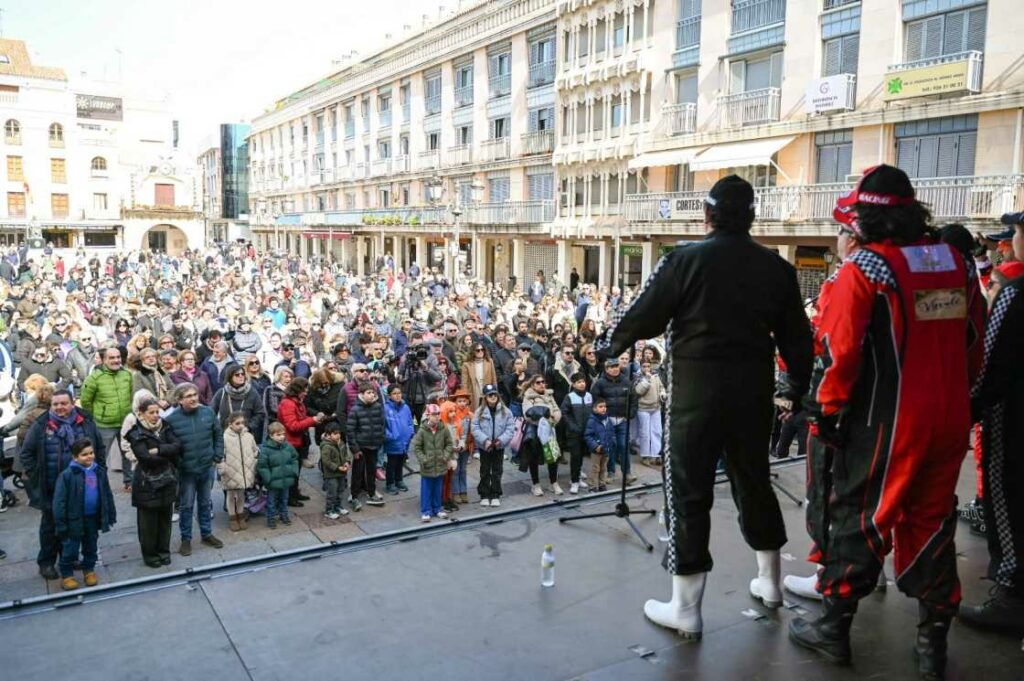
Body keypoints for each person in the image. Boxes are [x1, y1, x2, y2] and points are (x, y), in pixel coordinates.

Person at [592, 175, 814, 640]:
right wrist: (793, 385)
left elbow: (641, 315)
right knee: (754, 482)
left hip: (695, 394)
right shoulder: (777, 269)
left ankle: (686, 609)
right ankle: (771, 585)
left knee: (689, 492)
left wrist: (611, 345)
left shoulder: (684, 259)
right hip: (752, 394)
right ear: (752, 217)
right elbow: (799, 341)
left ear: (707, 216)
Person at [789, 166, 984, 678]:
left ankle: (833, 631)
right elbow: (973, 339)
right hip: (950, 418)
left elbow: (838, 352)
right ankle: (931, 645)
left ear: (868, 215)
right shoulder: (958, 262)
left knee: (861, 516)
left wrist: (828, 412)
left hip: (888, 420)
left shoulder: (867, 269)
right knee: (933, 521)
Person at [959, 211, 1024, 632]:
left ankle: (1011, 593)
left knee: (1006, 500)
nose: (1011, 241)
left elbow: (990, 361)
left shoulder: (1016, 294)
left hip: (1012, 419)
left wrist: (969, 409)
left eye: (1016, 232)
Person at [21, 389, 107, 580]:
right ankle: (47, 563)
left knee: (75, 523)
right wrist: (38, 476)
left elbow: (99, 447)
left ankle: (68, 557)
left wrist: (100, 470)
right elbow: (26, 453)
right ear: (51, 405)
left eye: (64, 403)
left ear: (72, 403)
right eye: (56, 404)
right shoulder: (41, 425)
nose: (60, 407)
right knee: (51, 525)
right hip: (52, 486)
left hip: (84, 485)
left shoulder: (85, 422)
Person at [164, 382, 225, 557]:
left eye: (195, 395)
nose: (193, 398)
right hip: (186, 470)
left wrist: (217, 455)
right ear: (179, 400)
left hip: (206, 466)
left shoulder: (207, 412)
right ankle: (186, 539)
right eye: (188, 396)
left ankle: (206, 534)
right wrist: (179, 463)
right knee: (186, 506)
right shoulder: (171, 419)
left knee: (205, 503)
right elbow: (169, 446)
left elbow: (218, 434)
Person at [52, 438, 116, 591]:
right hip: (73, 519)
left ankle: (89, 570)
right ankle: (67, 574)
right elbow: (59, 502)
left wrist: (110, 514)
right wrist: (61, 523)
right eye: (84, 455)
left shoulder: (98, 471)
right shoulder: (67, 475)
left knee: (91, 546)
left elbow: (107, 494)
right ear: (75, 457)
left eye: (91, 453)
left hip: (92, 518)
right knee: (70, 549)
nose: (89, 457)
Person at [125, 398, 181, 567]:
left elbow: (178, 446)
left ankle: (164, 551)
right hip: (147, 483)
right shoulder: (136, 433)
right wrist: (168, 453)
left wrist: (159, 450)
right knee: (148, 524)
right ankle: (150, 555)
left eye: (157, 412)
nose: (156, 416)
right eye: (151, 412)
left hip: (167, 480)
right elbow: (145, 458)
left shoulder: (165, 426)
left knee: (165, 520)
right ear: (141, 414)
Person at [276, 376, 321, 506]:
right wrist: (312, 420)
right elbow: (293, 425)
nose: (306, 392)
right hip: (291, 442)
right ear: (297, 390)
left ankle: (295, 493)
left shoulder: (297, 402)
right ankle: (290, 497)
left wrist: (313, 420)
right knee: (291, 471)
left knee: (296, 470)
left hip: (298, 441)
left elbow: (301, 419)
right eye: (304, 389)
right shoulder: (288, 404)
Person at [471, 384, 516, 507]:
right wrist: (485, 440)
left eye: (495, 394)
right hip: (485, 447)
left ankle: (495, 493)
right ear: (485, 397)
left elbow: (510, 428)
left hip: (498, 446)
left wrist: (500, 440)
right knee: (485, 470)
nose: (493, 397)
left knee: (497, 470)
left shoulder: (506, 411)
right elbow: (475, 428)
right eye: (490, 395)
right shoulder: (479, 412)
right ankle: (484, 494)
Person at [411, 403, 455, 522]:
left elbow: (449, 444)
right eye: (434, 414)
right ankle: (426, 510)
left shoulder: (443, 428)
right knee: (426, 489)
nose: (436, 417)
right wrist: (423, 459)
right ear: (428, 415)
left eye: (438, 414)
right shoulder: (422, 431)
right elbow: (417, 447)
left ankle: (438, 508)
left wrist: (445, 456)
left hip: (440, 464)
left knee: (438, 488)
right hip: (427, 465)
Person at [218, 412, 259, 532]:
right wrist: (222, 468)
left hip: (245, 470)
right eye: (237, 423)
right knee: (231, 495)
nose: (241, 426)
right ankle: (232, 517)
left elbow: (255, 450)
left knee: (241, 494)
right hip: (230, 470)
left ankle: (240, 515)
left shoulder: (248, 436)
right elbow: (220, 455)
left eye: (242, 423)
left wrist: (254, 462)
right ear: (230, 424)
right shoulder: (225, 438)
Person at [347, 381, 386, 508]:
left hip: (374, 444)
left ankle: (371, 493)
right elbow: (350, 431)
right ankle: (354, 496)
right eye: (368, 393)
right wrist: (355, 449)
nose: (371, 395)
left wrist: (380, 439)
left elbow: (381, 424)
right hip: (361, 447)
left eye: (373, 393)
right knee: (357, 473)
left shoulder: (378, 406)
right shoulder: (355, 409)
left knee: (371, 471)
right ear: (361, 394)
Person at [258, 422, 299, 528]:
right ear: (271, 435)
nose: (282, 437)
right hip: (273, 482)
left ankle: (284, 515)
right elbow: (263, 466)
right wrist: (268, 478)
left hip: (286, 479)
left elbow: (295, 458)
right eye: (278, 435)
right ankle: (271, 518)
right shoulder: (266, 450)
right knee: (271, 501)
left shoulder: (288, 446)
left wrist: (294, 471)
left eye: (283, 434)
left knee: (284, 499)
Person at [211, 363, 267, 439]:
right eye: (237, 375)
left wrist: (249, 427)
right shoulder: (222, 393)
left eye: (242, 374)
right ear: (230, 377)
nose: (241, 376)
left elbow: (260, 413)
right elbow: (211, 413)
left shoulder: (252, 392)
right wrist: (218, 430)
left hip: (246, 435)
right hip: (226, 435)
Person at [559, 372, 592, 494]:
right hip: (574, 433)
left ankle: (578, 477)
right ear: (573, 384)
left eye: (583, 381)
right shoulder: (570, 397)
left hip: (586, 432)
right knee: (575, 456)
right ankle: (574, 482)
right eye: (579, 382)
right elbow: (564, 413)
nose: (582, 384)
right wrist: (573, 427)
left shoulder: (589, 395)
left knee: (581, 455)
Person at [382, 384, 414, 495]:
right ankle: (390, 483)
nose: (397, 395)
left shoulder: (406, 407)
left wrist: (410, 432)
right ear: (389, 395)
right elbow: (383, 426)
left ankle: (399, 480)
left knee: (401, 461)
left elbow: (410, 421)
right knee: (392, 463)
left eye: (399, 393)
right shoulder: (386, 408)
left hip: (404, 441)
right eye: (394, 394)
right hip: (393, 441)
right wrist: (390, 436)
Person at [634, 359, 666, 467]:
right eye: (644, 366)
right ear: (641, 367)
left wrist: (662, 393)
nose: (647, 368)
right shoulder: (638, 377)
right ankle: (645, 455)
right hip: (643, 408)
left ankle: (657, 455)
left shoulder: (656, 376)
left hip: (656, 407)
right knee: (645, 433)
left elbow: (661, 387)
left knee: (657, 432)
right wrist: (646, 380)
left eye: (648, 366)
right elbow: (639, 391)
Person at [320, 422, 350, 519]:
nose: (338, 436)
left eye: (339, 433)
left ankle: (338, 506)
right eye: (335, 434)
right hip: (331, 474)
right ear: (328, 435)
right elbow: (326, 461)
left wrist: (347, 462)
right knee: (332, 492)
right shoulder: (326, 446)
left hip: (341, 473)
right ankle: (329, 510)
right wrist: (337, 467)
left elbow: (345, 454)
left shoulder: (341, 443)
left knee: (340, 490)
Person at [584, 398, 614, 492]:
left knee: (604, 467)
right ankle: (592, 486)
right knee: (595, 468)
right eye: (600, 407)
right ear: (594, 409)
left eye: (604, 406)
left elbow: (611, 432)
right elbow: (588, 435)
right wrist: (595, 446)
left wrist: (612, 442)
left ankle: (602, 484)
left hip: (606, 448)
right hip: (597, 450)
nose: (603, 409)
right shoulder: (592, 421)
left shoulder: (608, 419)